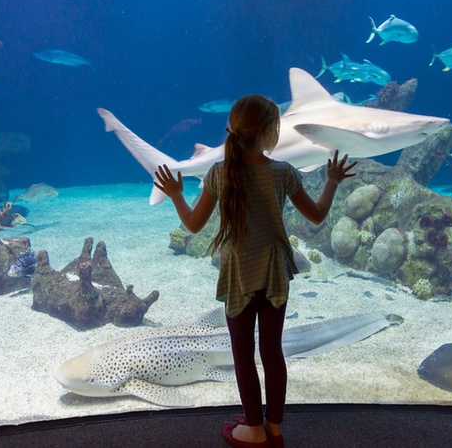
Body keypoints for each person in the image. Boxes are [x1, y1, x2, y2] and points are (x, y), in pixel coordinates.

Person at [153, 94, 357, 448]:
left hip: (239, 274)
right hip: (275, 270)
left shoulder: (219, 173)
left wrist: (175, 194)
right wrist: (332, 181)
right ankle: (274, 427)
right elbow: (318, 216)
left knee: (243, 354)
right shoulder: (283, 172)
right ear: (269, 132)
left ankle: (253, 428)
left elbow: (194, 225)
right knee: (273, 352)